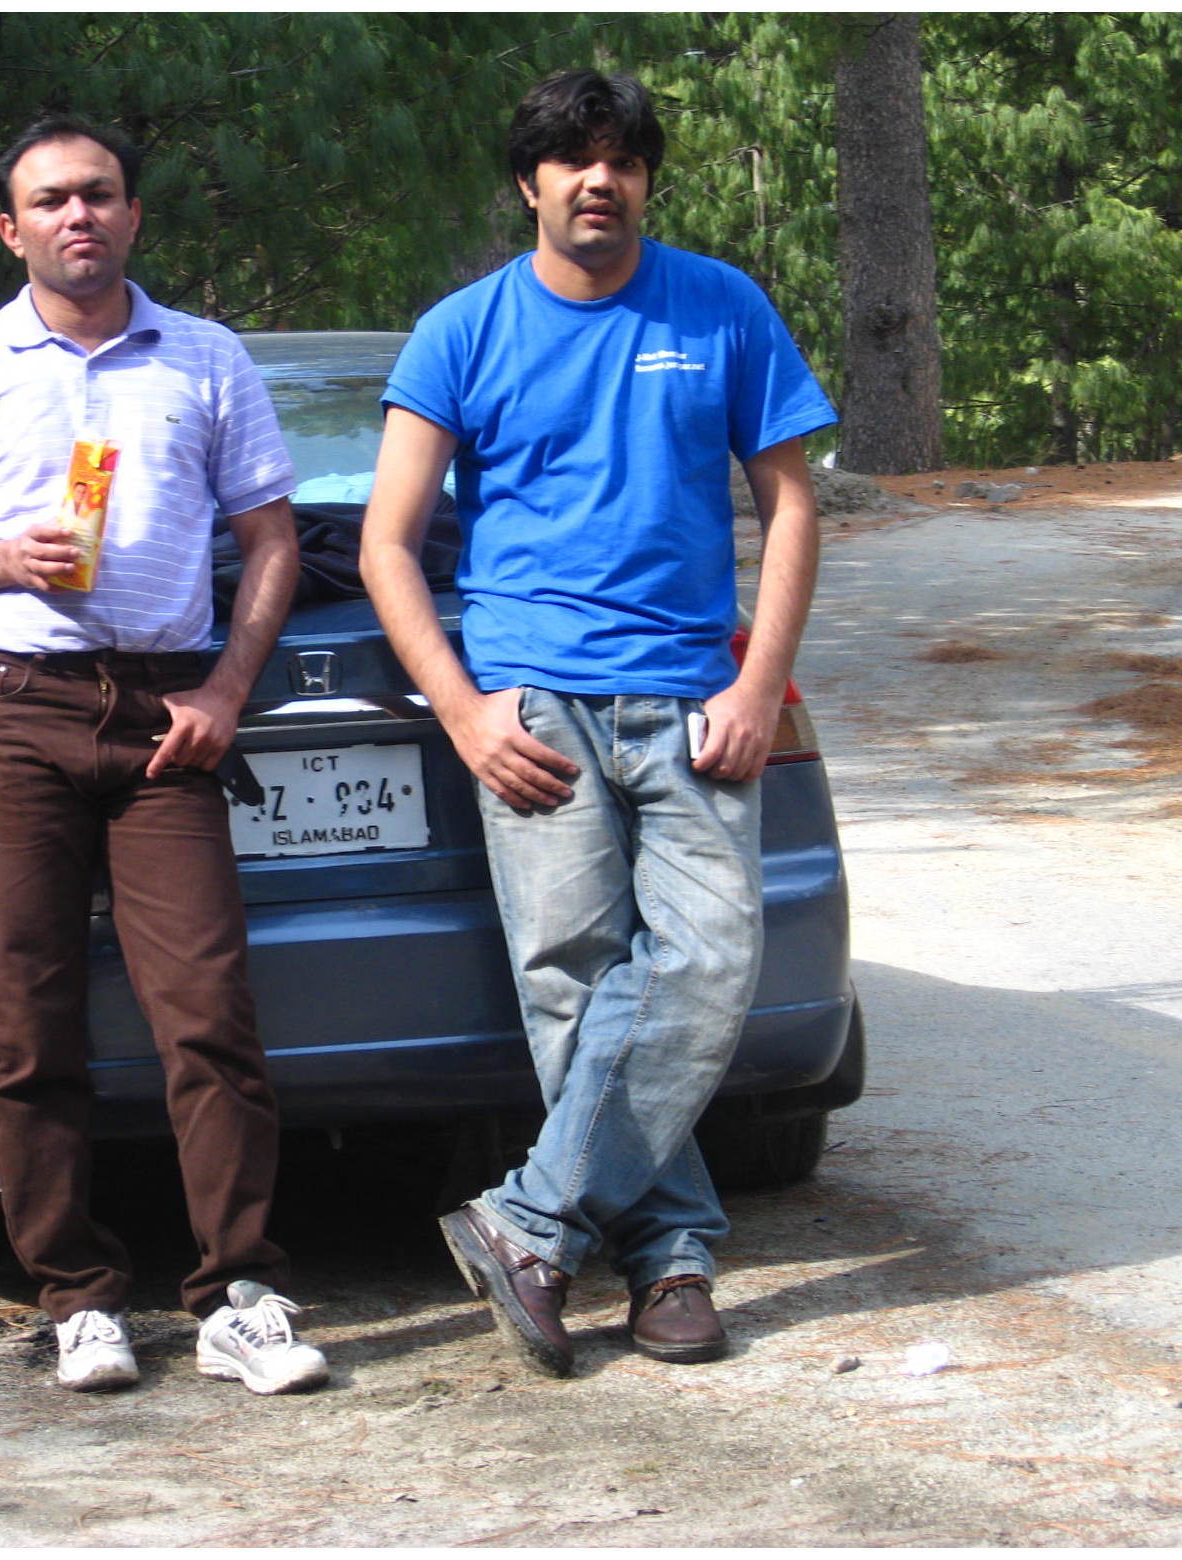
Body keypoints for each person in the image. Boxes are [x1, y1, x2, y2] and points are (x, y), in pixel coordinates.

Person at [359, 69, 836, 1377]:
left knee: (709, 962)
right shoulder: (460, 333)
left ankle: (527, 1222)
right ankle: (671, 1257)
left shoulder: (721, 306)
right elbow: (389, 542)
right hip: (534, 707)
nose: (598, 180)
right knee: (573, 984)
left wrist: (756, 683)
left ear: (644, 179)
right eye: (572, 160)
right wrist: (463, 713)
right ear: (529, 184)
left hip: (690, 699)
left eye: (621, 159)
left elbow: (791, 503)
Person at [0, 115, 327, 1396]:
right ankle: (77, 1297)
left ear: (132, 215)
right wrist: (0, 557)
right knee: (30, 1026)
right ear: (11, 230)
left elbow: (271, 541)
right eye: (53, 200)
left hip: (167, 714)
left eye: (101, 194)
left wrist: (227, 689)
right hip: (12, 711)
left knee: (210, 1017)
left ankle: (238, 1296)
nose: (80, 216)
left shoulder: (207, 357)